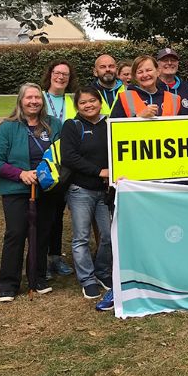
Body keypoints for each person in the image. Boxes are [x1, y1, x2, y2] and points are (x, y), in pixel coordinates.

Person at [0, 83, 62, 301]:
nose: (33, 102)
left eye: (37, 98)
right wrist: (21, 174)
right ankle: (8, 283)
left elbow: (63, 154)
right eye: (29, 98)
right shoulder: (8, 127)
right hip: (17, 190)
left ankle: (37, 277)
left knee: (41, 234)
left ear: (43, 101)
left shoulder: (54, 124)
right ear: (20, 101)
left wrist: (45, 173)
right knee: (16, 233)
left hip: (46, 188)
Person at [60, 87, 112, 300]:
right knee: (81, 237)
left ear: (100, 102)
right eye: (83, 103)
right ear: (77, 107)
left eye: (93, 101)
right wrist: (98, 171)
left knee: (108, 236)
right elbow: (69, 157)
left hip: (105, 191)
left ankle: (102, 272)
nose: (89, 105)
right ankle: (87, 279)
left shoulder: (110, 124)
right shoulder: (72, 126)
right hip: (80, 190)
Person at [40, 60, 77, 279]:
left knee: (58, 213)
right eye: (57, 73)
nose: (61, 77)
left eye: (65, 74)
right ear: (50, 74)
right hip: (45, 162)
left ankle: (55, 257)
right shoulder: (40, 97)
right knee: (44, 214)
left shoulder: (72, 101)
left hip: (66, 163)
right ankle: (41, 259)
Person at [110, 55, 188, 118]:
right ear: (135, 76)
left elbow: (183, 128)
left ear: (158, 72)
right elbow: (114, 131)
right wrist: (138, 118)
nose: (145, 75)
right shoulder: (124, 98)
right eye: (140, 72)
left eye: (149, 70)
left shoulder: (174, 99)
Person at [155, 48, 188, 115]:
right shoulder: (152, 87)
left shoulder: (185, 87)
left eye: (173, 60)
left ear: (178, 64)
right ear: (157, 64)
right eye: (165, 60)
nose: (170, 63)